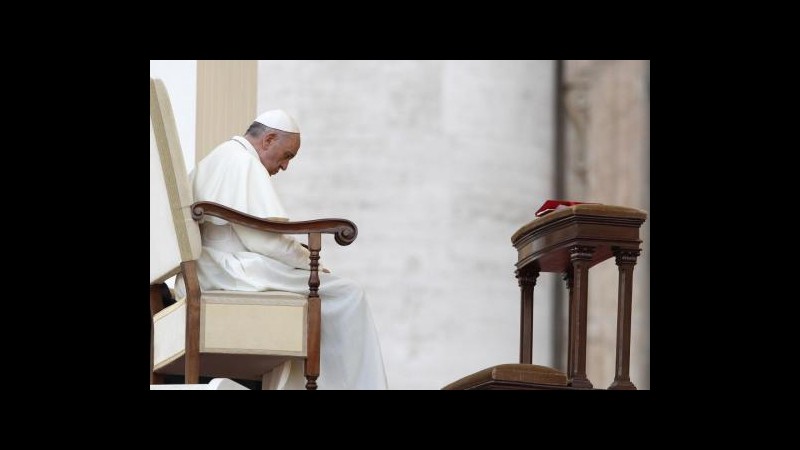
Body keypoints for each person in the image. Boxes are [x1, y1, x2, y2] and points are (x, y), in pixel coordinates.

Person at [175, 110, 387, 390]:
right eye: (287, 155)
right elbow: (263, 241)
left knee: (316, 305)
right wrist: (309, 260)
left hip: (210, 269)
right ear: (269, 139)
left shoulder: (217, 158)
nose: (285, 167)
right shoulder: (243, 163)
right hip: (230, 270)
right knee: (348, 294)